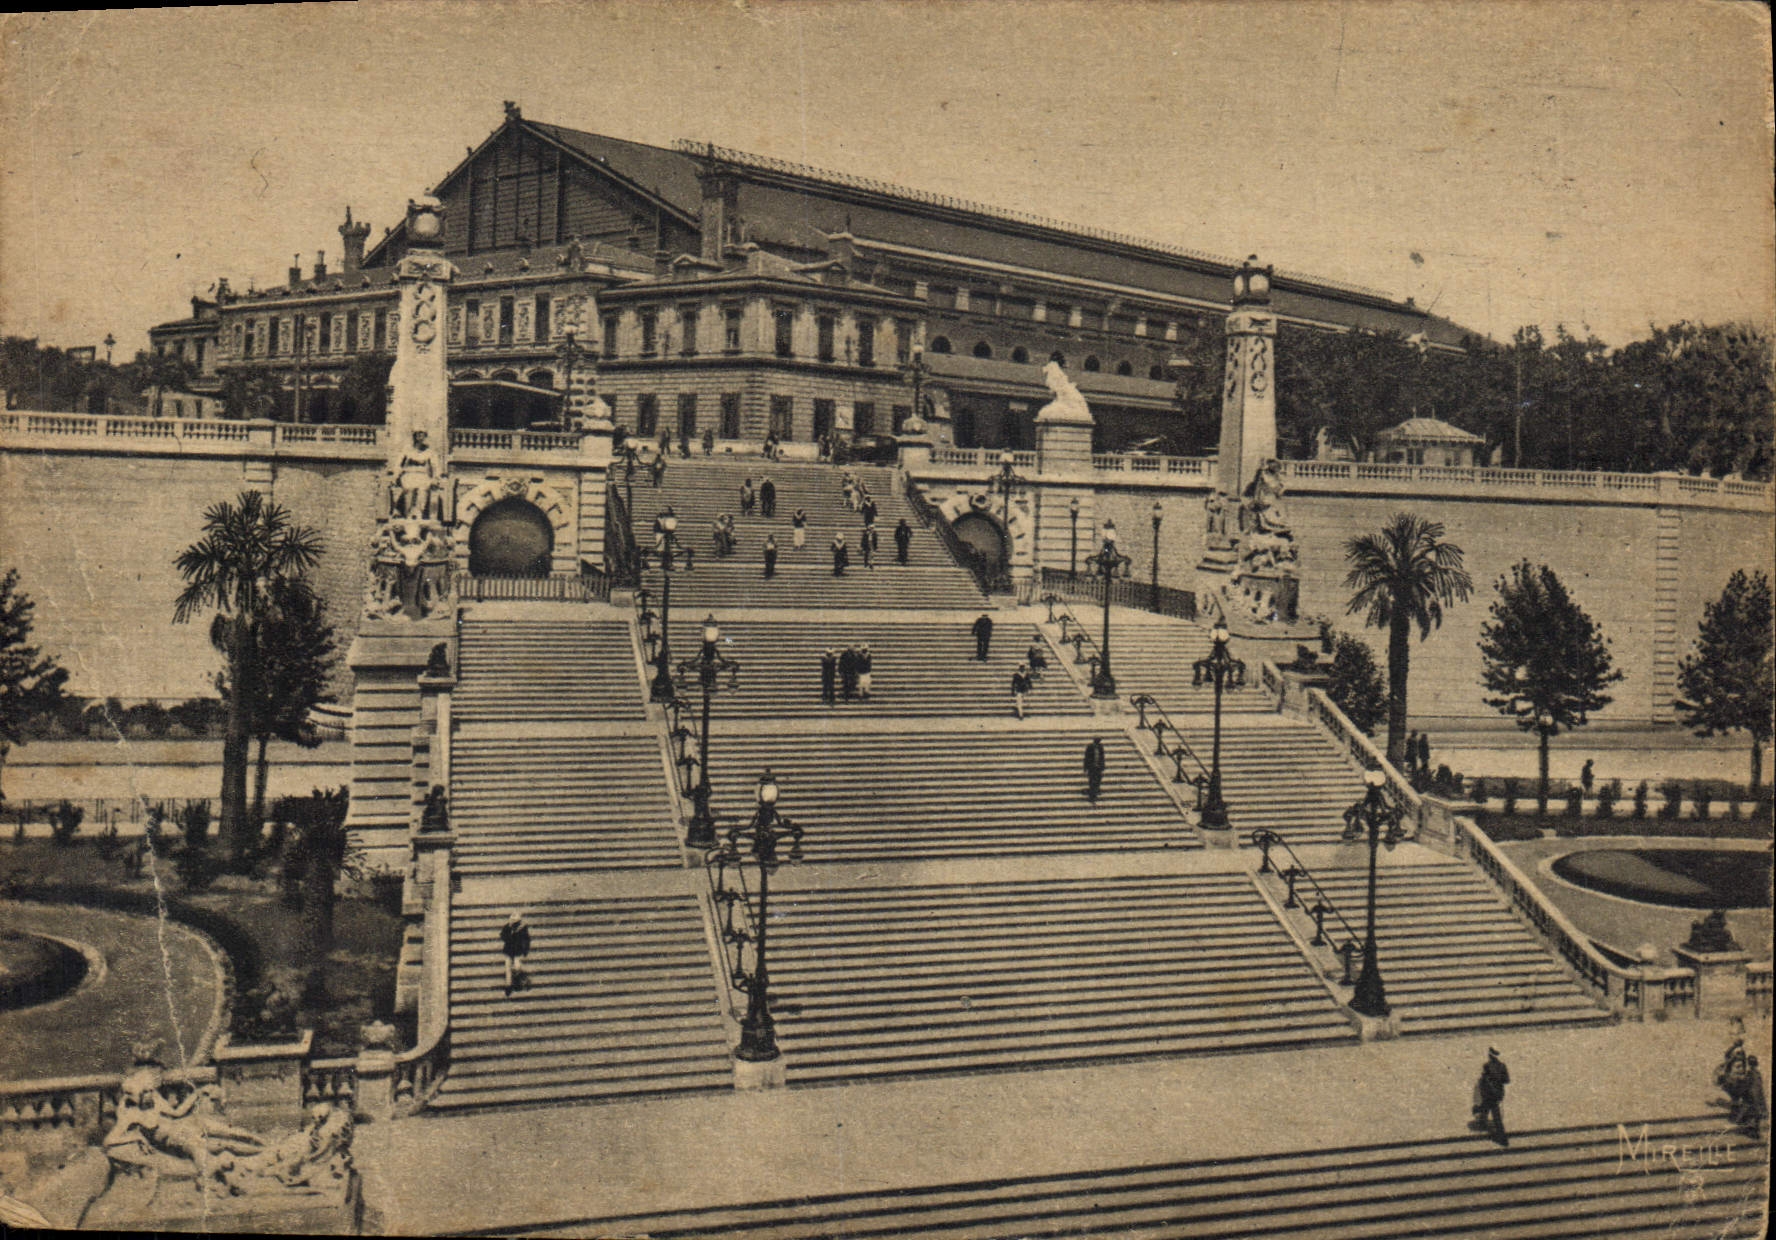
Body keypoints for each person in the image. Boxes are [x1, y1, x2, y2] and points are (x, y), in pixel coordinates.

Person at [1472, 1047, 1510, 1146]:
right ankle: (1502, 1139)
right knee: (1494, 1114)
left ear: (1489, 1055)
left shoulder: (1486, 1066)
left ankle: (1502, 1140)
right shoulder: (1502, 1066)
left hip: (1488, 1094)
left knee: (1490, 1112)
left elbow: (1483, 1081)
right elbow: (1506, 1080)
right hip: (1497, 1094)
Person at [500, 912, 531, 996]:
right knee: (508, 967)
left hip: (518, 950)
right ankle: (508, 986)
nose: (513, 923)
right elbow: (502, 936)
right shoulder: (507, 927)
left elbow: (526, 940)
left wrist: (525, 951)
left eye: (515, 922)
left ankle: (524, 979)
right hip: (509, 950)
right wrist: (509, 930)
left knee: (517, 967)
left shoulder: (523, 928)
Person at [1084, 736, 1107, 801]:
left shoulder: (1101, 747)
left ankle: (1095, 791)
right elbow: (1086, 757)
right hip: (1092, 768)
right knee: (1092, 780)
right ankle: (1092, 795)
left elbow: (1102, 757)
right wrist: (1085, 767)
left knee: (1098, 780)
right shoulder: (1090, 747)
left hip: (1098, 767)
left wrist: (1103, 766)